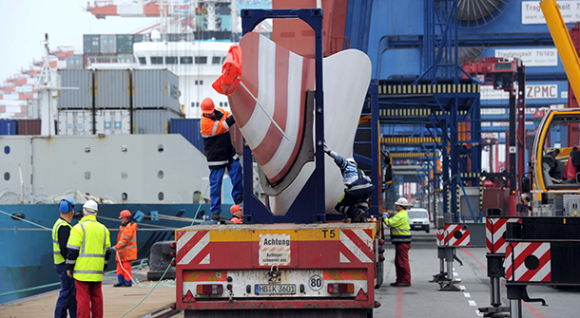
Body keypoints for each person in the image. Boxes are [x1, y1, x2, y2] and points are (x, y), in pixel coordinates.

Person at [66, 200, 111, 318]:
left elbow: (72, 251)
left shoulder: (78, 228)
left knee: (83, 298)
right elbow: (107, 252)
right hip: (97, 271)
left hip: (81, 271)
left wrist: (69, 267)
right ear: (96, 213)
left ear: (83, 212)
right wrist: (104, 267)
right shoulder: (104, 229)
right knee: (97, 297)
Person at [200, 97, 243, 221]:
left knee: (236, 169)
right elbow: (223, 126)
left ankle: (238, 196)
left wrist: (238, 109)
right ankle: (215, 211)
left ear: (213, 109)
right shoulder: (205, 123)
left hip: (228, 151)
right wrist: (236, 115)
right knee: (216, 184)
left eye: (210, 112)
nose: (208, 115)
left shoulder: (219, 112)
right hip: (216, 156)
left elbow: (228, 114)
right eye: (206, 113)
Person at [324, 148, 375, 222]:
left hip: (356, 189)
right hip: (368, 188)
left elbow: (338, 157)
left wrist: (327, 151)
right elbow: (363, 189)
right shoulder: (360, 171)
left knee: (340, 206)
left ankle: (355, 212)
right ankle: (363, 218)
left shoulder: (347, 165)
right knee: (362, 202)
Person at [52, 198, 77, 318]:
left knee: (72, 293)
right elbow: (64, 249)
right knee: (67, 293)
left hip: (60, 263)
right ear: (72, 211)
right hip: (64, 265)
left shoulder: (59, 223)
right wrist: (70, 266)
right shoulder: (64, 227)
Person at [384, 198, 413, 287]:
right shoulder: (402, 214)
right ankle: (400, 279)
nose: (396, 206)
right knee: (398, 261)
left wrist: (384, 217)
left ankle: (406, 280)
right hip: (401, 241)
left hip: (402, 241)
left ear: (401, 206)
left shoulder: (401, 215)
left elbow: (390, 223)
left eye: (397, 205)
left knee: (403, 262)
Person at [112, 210, 137, 287]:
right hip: (122, 252)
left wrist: (116, 247)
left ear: (126, 218)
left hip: (126, 252)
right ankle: (121, 281)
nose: (120, 220)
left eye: (121, 218)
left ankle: (128, 281)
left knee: (126, 267)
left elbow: (124, 241)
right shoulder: (125, 227)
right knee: (120, 267)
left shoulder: (128, 228)